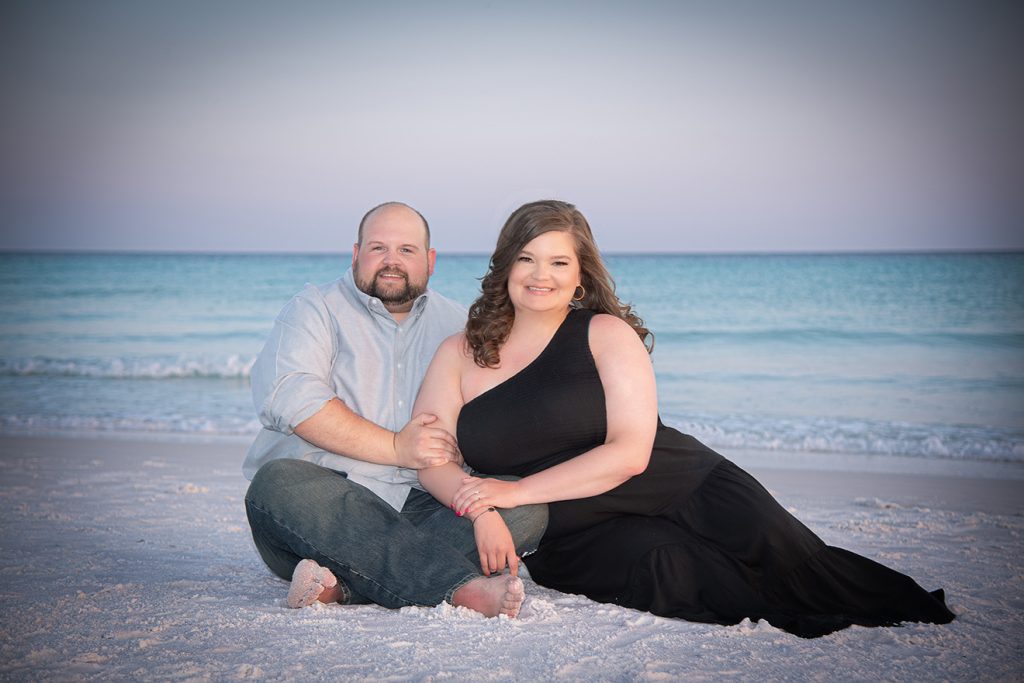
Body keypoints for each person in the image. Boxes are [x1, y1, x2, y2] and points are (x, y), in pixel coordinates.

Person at [413, 199, 956, 637]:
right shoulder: (459, 352)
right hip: (573, 531)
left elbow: (630, 454)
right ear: (505, 264)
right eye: (527, 258)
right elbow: (429, 457)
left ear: (580, 276)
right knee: (679, 575)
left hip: (677, 483)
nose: (540, 275)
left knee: (790, 557)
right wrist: (480, 506)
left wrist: (510, 493)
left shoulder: (604, 334)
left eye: (559, 262)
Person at [242, 201, 547, 618]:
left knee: (524, 504)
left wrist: (471, 469)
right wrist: (397, 449)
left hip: (422, 505)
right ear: (355, 254)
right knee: (276, 482)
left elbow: (488, 420)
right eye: (377, 248)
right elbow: (289, 397)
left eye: (407, 250)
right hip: (324, 503)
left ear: (430, 260)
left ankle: (343, 586)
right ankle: (459, 590)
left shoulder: (460, 326)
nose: (392, 261)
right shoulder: (315, 308)